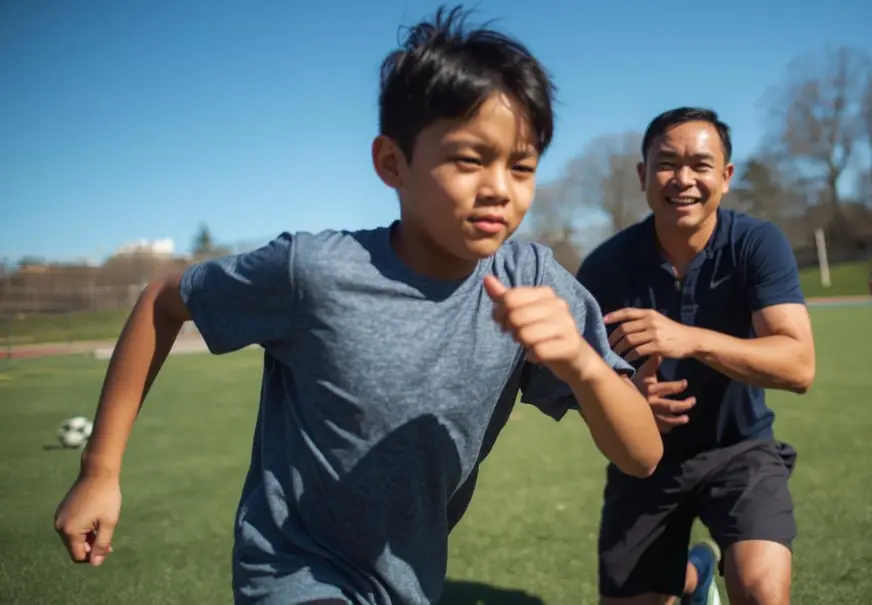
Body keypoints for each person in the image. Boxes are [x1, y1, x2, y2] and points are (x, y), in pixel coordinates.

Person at [52, 7, 663, 605]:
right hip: (293, 570)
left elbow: (642, 455)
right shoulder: (314, 273)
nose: (499, 187)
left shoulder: (535, 282)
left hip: (409, 578)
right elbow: (163, 300)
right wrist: (100, 471)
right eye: (469, 159)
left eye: (521, 167)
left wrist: (583, 364)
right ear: (392, 162)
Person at [577, 107, 816, 605]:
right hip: (645, 461)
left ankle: (712, 568)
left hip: (741, 449)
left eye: (700, 165)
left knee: (761, 592)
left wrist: (690, 338)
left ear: (725, 177)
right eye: (666, 163)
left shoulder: (757, 244)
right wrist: (626, 397)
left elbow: (798, 366)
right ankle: (695, 576)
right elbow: (580, 381)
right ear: (643, 175)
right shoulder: (604, 267)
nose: (682, 179)